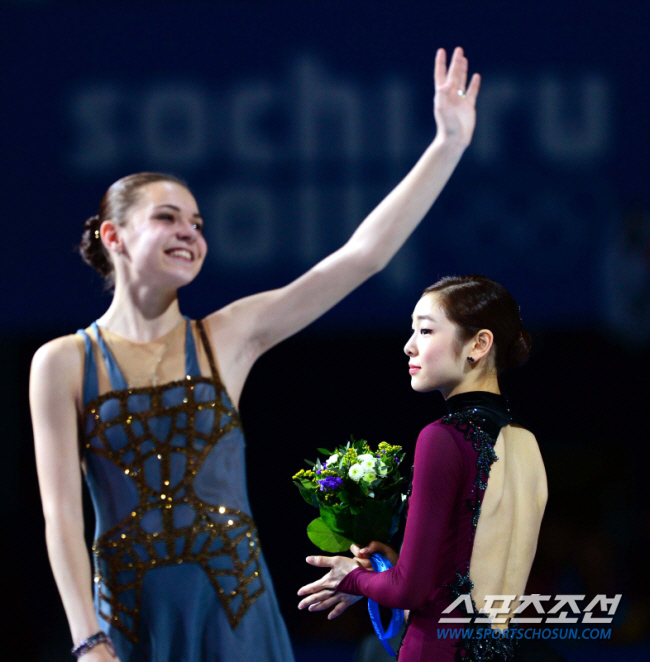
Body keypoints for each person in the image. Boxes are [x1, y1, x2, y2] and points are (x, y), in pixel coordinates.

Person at [29, 47, 479, 662]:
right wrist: (89, 640)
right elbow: (61, 520)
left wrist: (448, 144)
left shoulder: (226, 336)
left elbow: (362, 256)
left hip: (238, 618)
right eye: (169, 217)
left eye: (198, 222)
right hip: (125, 626)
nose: (191, 231)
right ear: (114, 236)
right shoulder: (61, 362)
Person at [297, 275, 548, 661]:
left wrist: (351, 575)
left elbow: (407, 593)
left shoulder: (443, 438)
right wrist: (392, 567)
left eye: (426, 330)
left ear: (479, 344)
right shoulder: (527, 442)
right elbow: (471, 574)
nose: (408, 345)